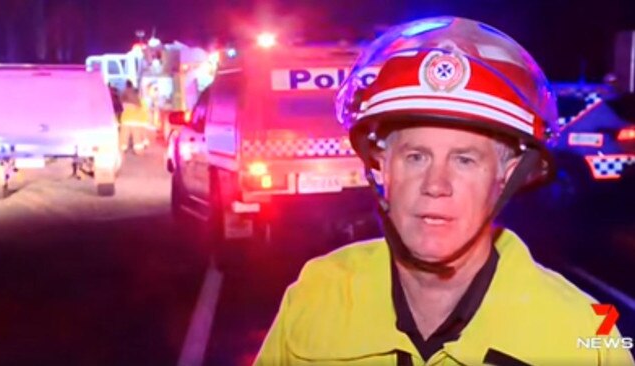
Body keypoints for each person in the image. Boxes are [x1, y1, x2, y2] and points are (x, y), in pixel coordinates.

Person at [254, 17, 635, 365]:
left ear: (508, 174)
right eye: (416, 156)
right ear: (380, 165)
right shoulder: (316, 297)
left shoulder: (583, 337)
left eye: (465, 160)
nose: (436, 185)